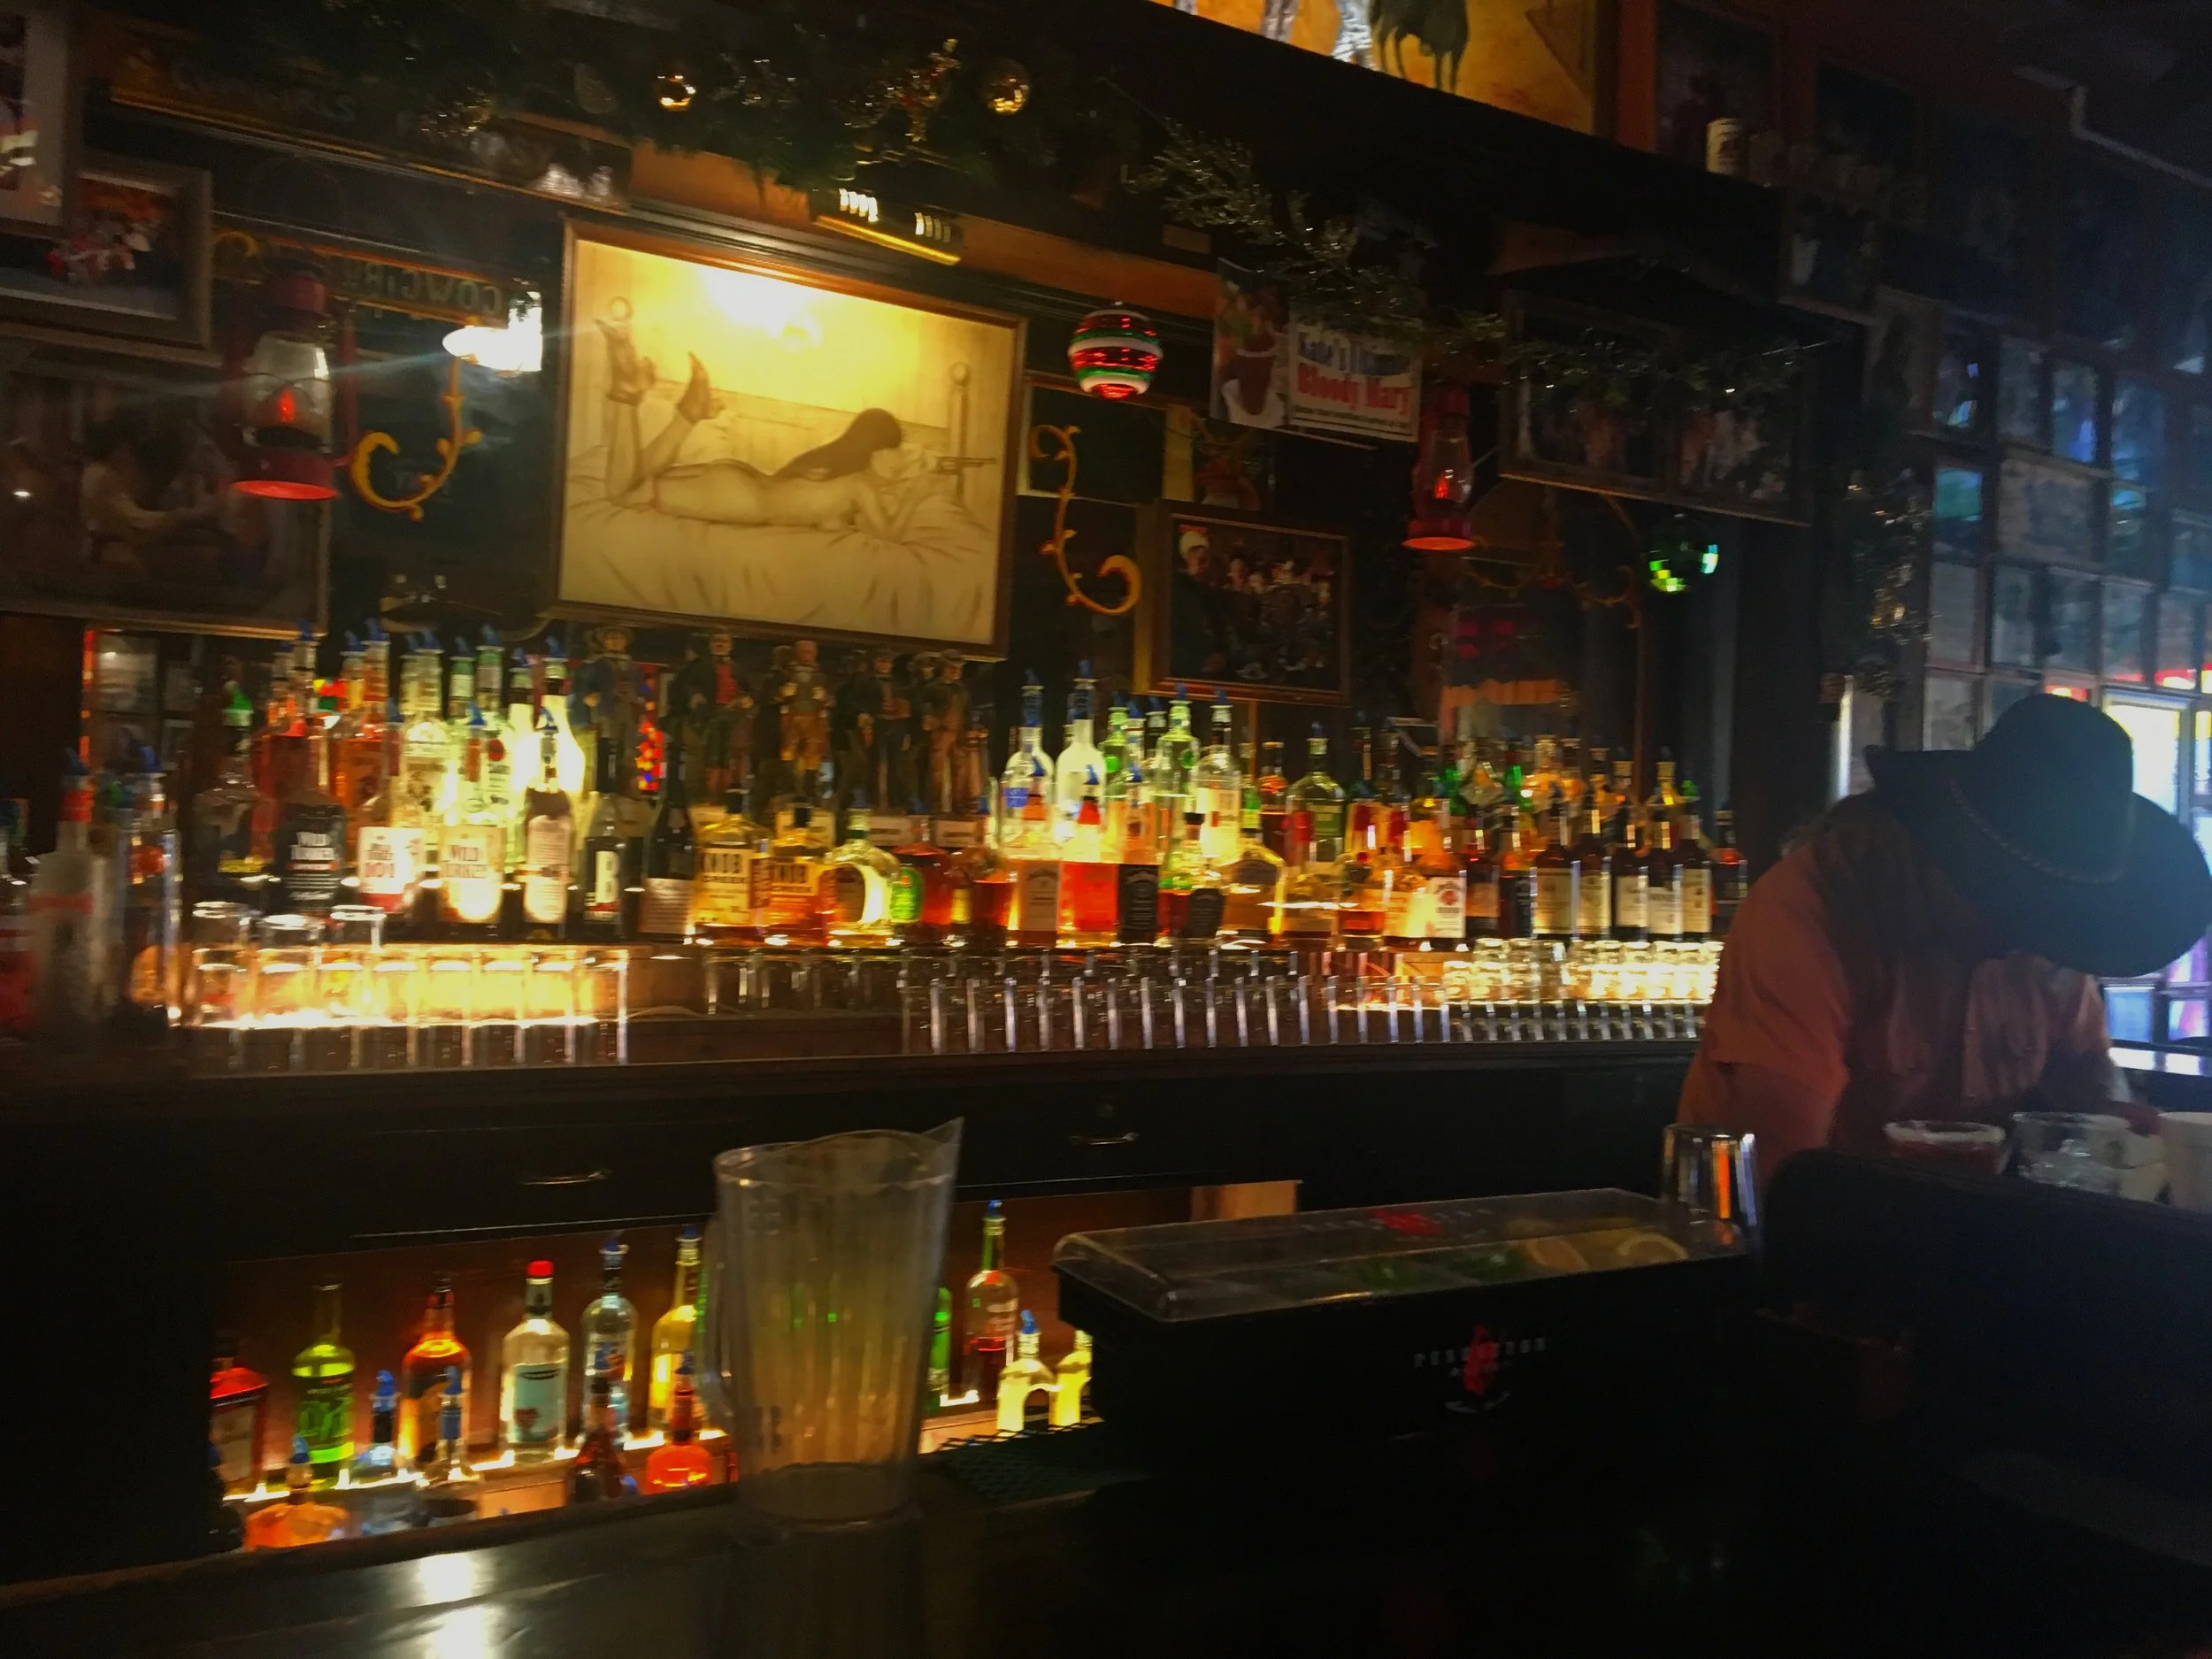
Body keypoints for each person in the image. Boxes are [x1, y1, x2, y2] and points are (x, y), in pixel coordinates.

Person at [1678, 695, 2212, 1182]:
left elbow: (2085, 1084)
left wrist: (2123, 1125)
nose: (2043, 936)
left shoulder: (2052, 939)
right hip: (1802, 1241)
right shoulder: (1815, 907)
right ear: (1962, 854)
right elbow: (1784, 1170)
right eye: (2033, 905)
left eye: (2060, 914)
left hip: (1964, 1246)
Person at [596, 316, 906, 532]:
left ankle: (688, 414)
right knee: (622, 493)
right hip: (743, 500)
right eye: (892, 451)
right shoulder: (859, 486)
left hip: (743, 479)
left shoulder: (832, 470)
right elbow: (890, 535)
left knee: (639, 479)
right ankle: (626, 392)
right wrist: (920, 494)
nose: (897, 460)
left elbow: (828, 523)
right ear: (875, 450)